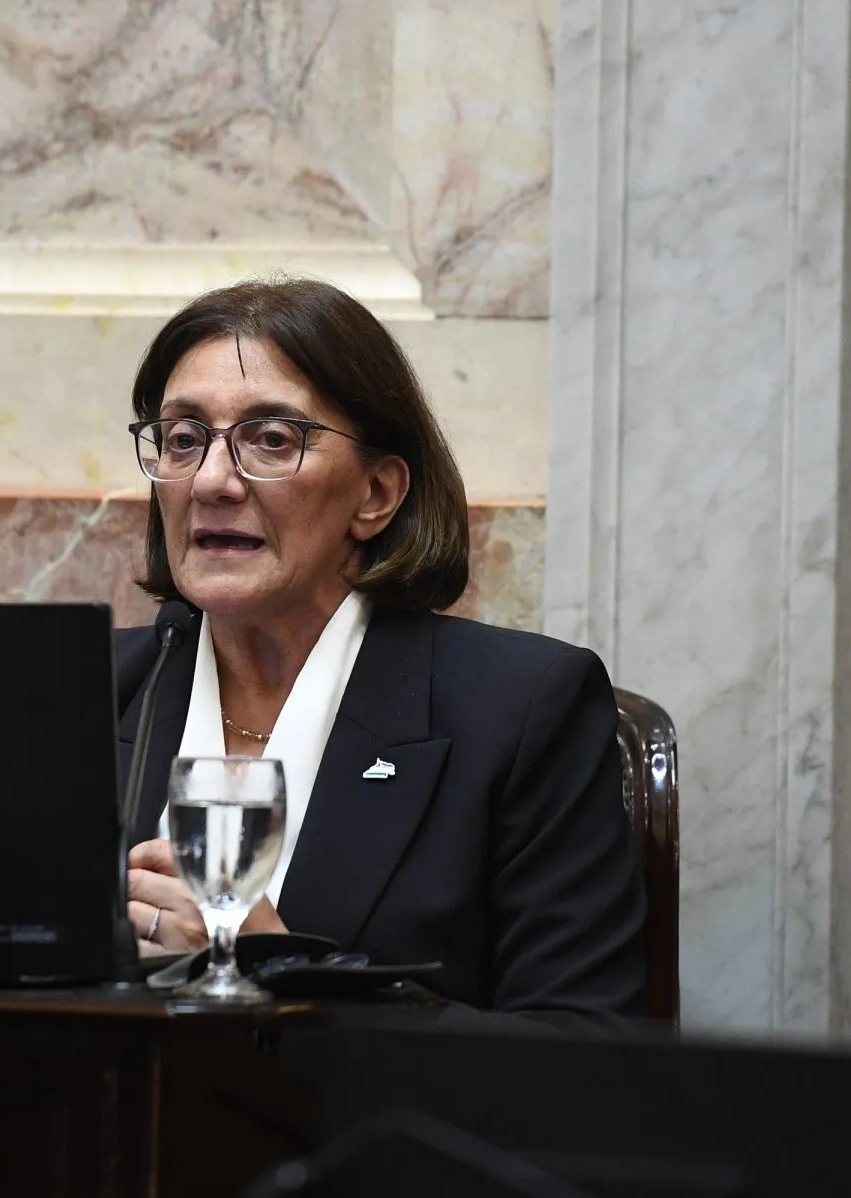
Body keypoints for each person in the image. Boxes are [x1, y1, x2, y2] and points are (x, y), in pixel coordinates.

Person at [115, 277, 646, 1015]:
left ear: (377, 494)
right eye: (183, 438)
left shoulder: (521, 711)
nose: (211, 480)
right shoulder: (80, 694)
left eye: (272, 438)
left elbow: (578, 1057)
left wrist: (282, 969)